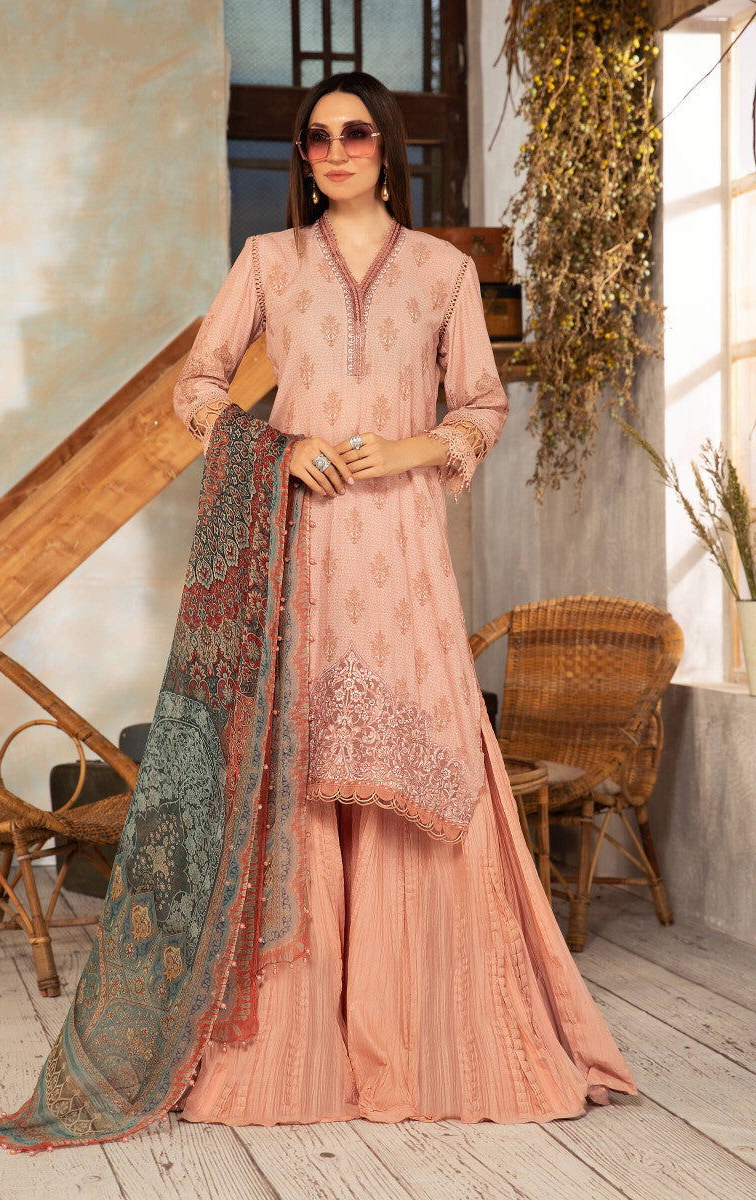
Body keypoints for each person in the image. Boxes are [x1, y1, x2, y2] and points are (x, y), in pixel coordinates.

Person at [170, 70, 637, 1125]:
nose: (335, 151)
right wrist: (281, 450)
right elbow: (197, 387)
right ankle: (296, 1046)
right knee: (304, 764)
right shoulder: (267, 261)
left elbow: (482, 404)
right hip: (300, 548)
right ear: (302, 156)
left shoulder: (442, 271)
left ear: (386, 147)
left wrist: (408, 449)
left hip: (404, 549)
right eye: (317, 137)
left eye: (355, 133)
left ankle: (428, 1032)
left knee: (417, 757)